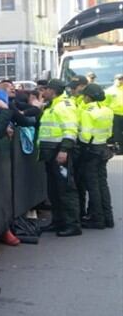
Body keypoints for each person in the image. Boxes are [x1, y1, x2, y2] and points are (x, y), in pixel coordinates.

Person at [38, 79, 81, 237]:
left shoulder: (63, 105)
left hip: (59, 152)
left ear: (53, 90)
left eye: (46, 89)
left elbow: (70, 129)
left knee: (65, 189)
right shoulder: (53, 105)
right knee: (54, 190)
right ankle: (58, 221)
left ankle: (72, 225)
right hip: (51, 153)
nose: (43, 92)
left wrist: (64, 150)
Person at [76, 84, 114, 229]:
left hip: (90, 151)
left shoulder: (87, 112)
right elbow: (109, 133)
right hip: (102, 148)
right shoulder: (107, 110)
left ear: (88, 97)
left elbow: (85, 136)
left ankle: (97, 219)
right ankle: (108, 218)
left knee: (92, 186)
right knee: (102, 184)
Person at [106, 74, 123, 152]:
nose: (120, 81)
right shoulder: (109, 91)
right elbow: (105, 103)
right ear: (115, 80)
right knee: (117, 133)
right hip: (115, 114)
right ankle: (120, 148)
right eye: (119, 79)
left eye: (122, 79)